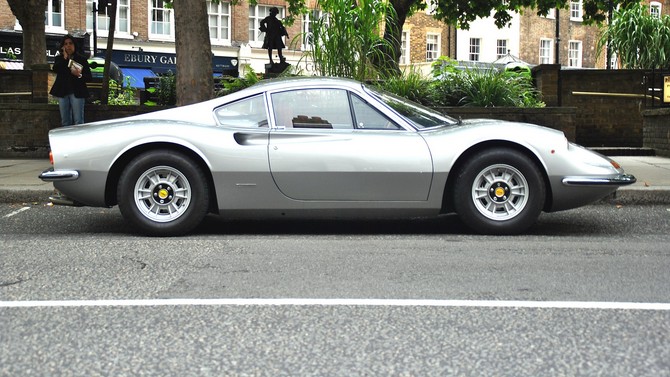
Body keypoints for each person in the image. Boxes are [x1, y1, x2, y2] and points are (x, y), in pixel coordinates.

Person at [50, 34, 92, 126]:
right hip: (63, 92)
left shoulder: (81, 59)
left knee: (78, 120)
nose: (68, 46)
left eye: (70, 43)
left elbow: (89, 77)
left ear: (74, 45)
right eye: (66, 44)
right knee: (65, 121)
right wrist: (65, 58)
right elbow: (55, 69)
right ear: (63, 47)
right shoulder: (59, 59)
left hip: (77, 92)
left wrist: (79, 75)